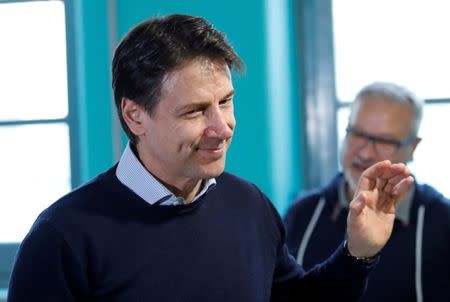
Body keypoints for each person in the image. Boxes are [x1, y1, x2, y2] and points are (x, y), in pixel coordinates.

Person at [8, 15, 413, 302]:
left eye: (226, 101)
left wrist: (358, 252)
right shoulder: (62, 237)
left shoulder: (250, 205)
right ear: (135, 116)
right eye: (196, 111)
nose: (223, 127)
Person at [284, 82, 450, 302]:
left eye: (384, 141)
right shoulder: (302, 213)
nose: (365, 152)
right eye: (357, 134)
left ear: (412, 148)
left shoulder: (441, 220)